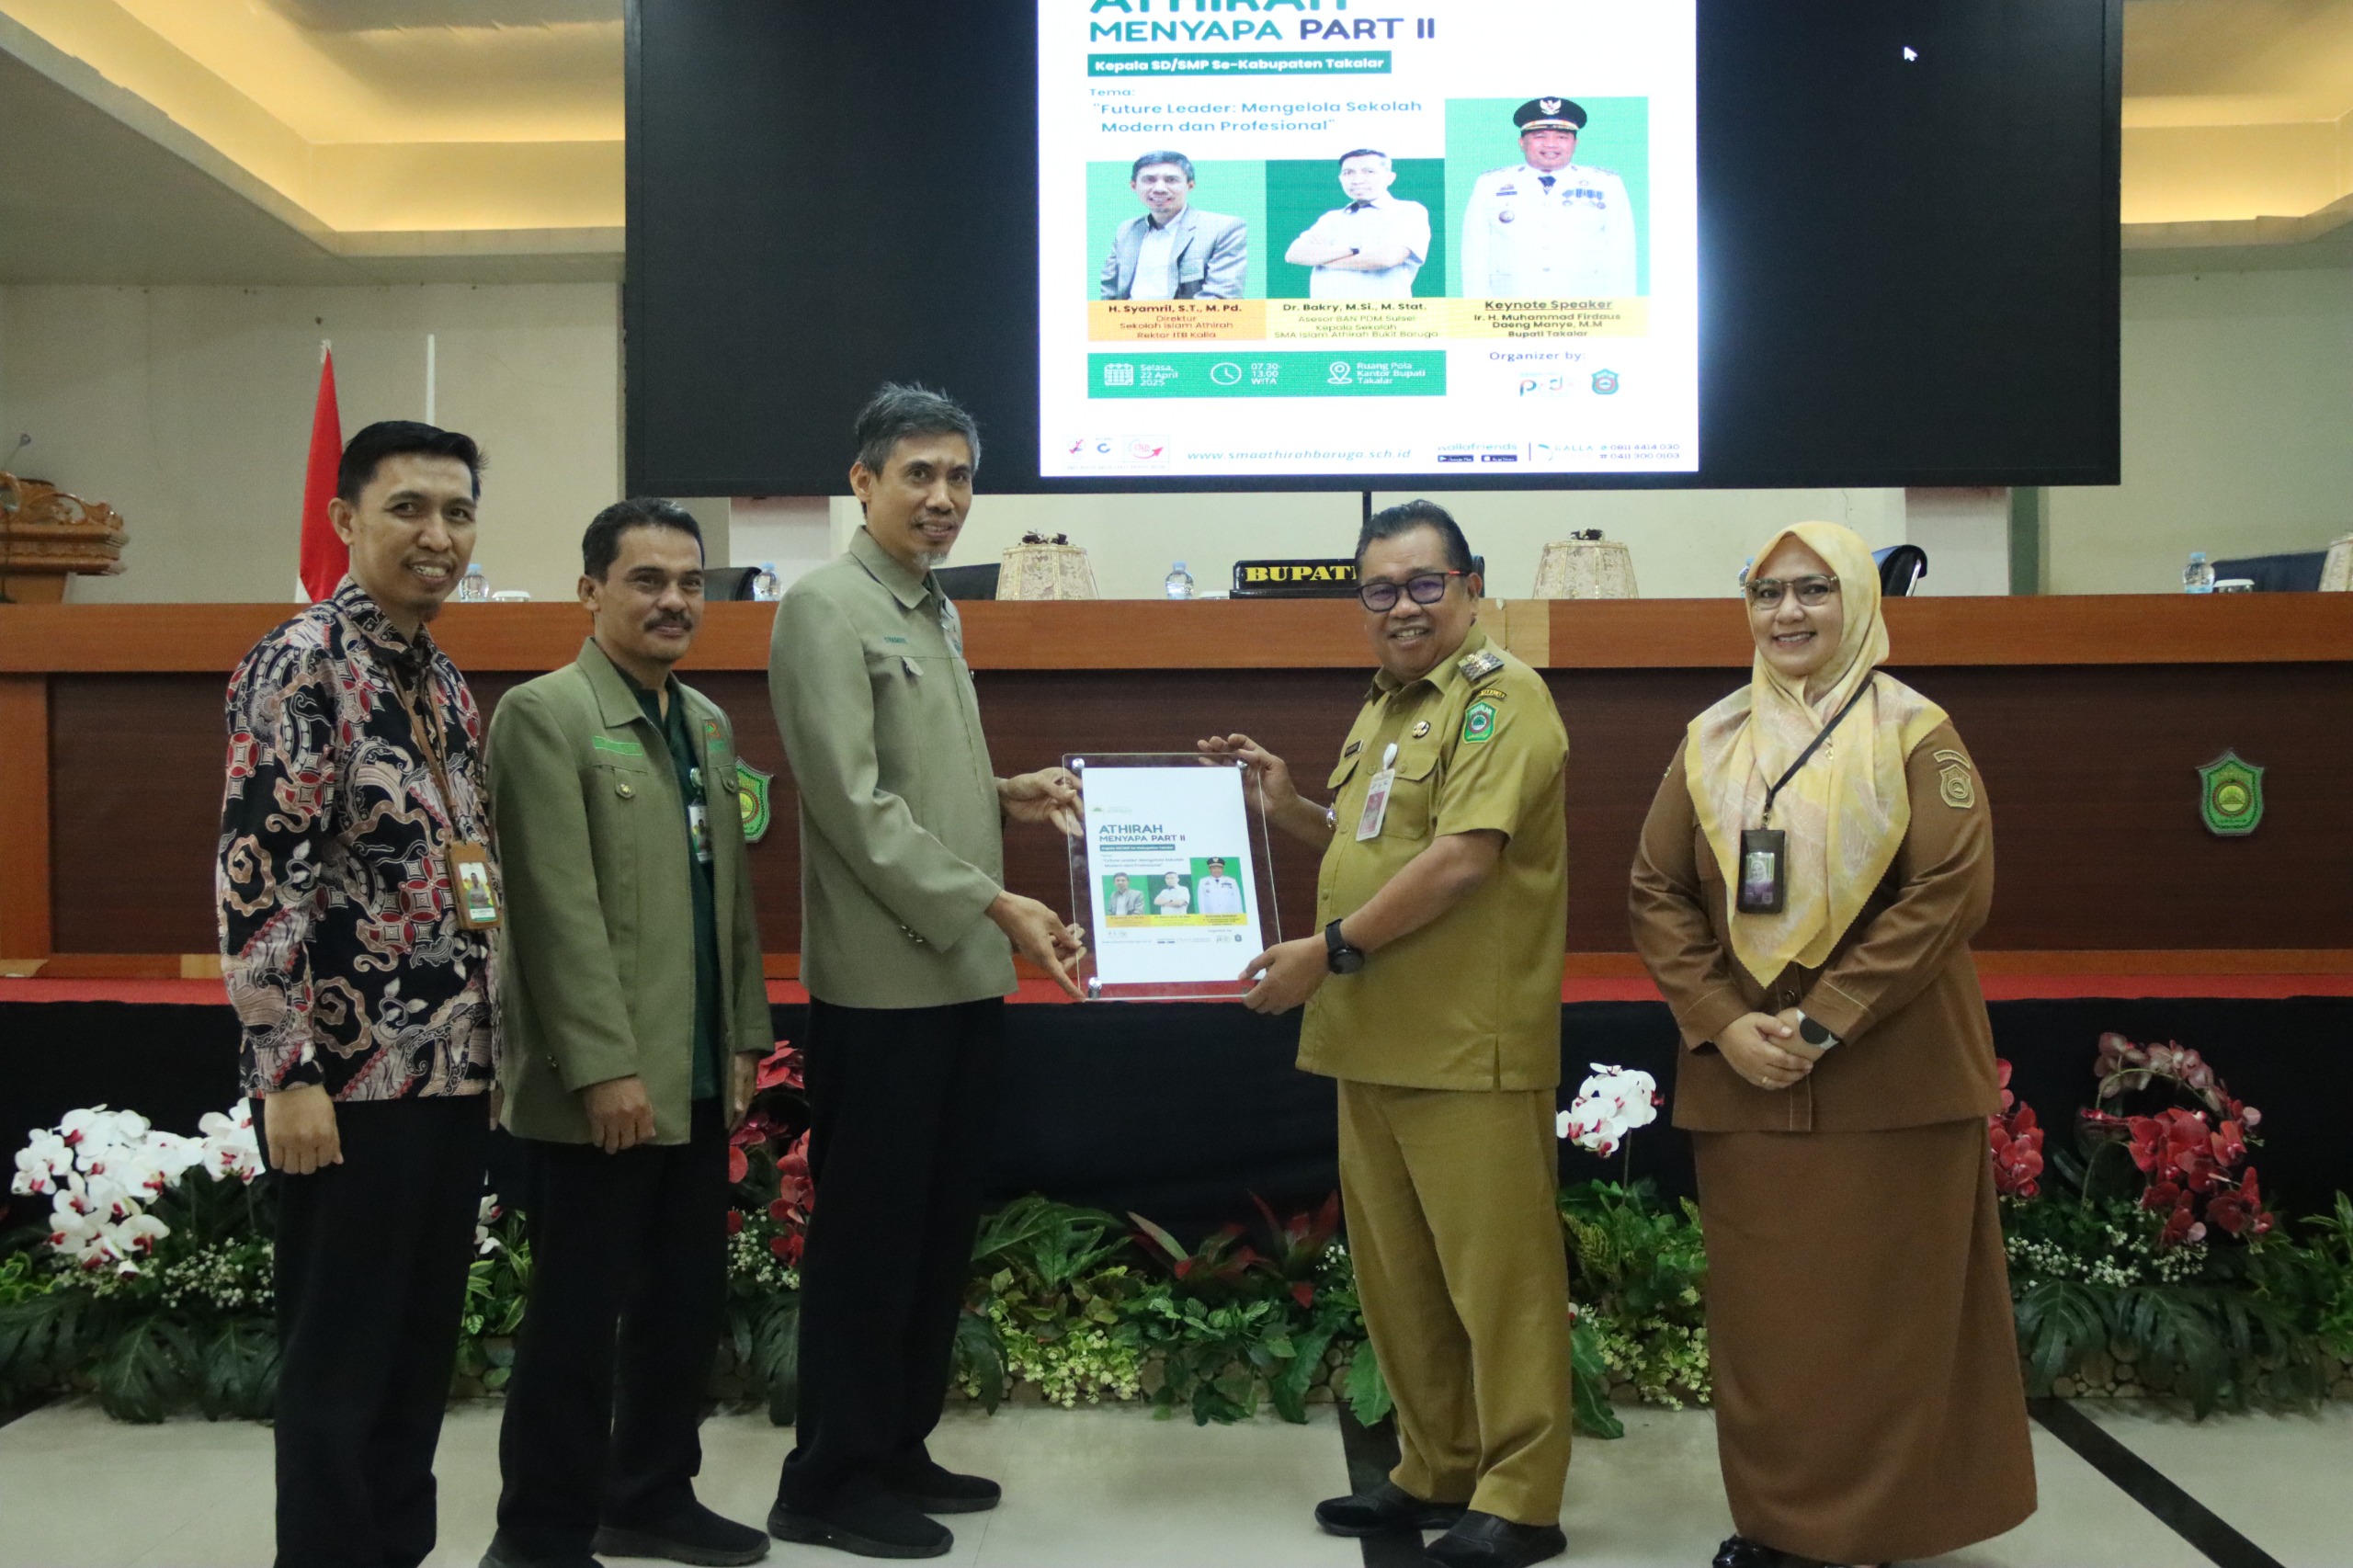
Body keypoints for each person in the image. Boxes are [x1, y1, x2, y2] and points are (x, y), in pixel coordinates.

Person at [1627, 521, 2037, 1568]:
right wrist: (1724, 1020)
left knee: (1886, 1322)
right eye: (1767, 593)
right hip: (1747, 1080)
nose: (1789, 613)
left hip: (1891, 1080)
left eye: (1814, 589)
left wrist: (1825, 1016)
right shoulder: (1712, 737)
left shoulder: (1915, 731)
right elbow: (1656, 889)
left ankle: (1865, 1534)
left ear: (1859, 601)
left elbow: (1952, 891)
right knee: (1773, 1325)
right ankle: (1782, 1525)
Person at [1200, 500, 1573, 1568]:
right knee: (1401, 1280)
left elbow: (1462, 859)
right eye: (1379, 589)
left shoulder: (1502, 699)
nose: (1401, 606)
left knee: (1498, 1284)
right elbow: (1378, 844)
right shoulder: (1385, 707)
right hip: (1372, 1038)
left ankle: (1521, 1496)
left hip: (1464, 1044)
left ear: (1469, 585)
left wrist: (1325, 951)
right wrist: (1288, 807)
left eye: (1422, 583)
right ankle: (1436, 1464)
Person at [767, 383, 1087, 1560]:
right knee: (868, 1240)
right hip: (884, 985)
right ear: (863, 482)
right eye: (919, 474)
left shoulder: (933, 606)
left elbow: (914, 775)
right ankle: (825, 1477)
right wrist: (996, 900)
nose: (943, 497)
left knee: (934, 1228)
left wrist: (1005, 794)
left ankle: (895, 1443)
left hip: (960, 973)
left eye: (958, 476)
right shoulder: (825, 606)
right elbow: (852, 805)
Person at [217, 420, 501, 1568]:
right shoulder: (303, 662)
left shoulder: (443, 678)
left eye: (458, 512)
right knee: (340, 1362)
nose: (438, 535)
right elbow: (257, 876)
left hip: (450, 1066)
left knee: (417, 1354)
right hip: (346, 1079)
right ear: (346, 520)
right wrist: (285, 1070)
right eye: (408, 508)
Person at [480, 500, 773, 1568]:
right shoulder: (545, 715)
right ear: (590, 590)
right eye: (647, 579)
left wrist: (743, 1036)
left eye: (690, 582)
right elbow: (550, 911)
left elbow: (728, 904)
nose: (673, 600)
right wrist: (604, 1066)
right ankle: (539, 1535)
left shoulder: (705, 722)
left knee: (679, 1303)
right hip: (599, 1087)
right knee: (575, 1318)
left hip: (693, 1073)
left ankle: (649, 1495)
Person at [1460, 97, 1636, 299]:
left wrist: (1622, 310)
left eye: (1562, 137)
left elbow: (1622, 253)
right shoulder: (1490, 184)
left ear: (1575, 143)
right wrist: (1475, 309)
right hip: (1511, 303)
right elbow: (1474, 254)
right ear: (1521, 142)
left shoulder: (1606, 184)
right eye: (1539, 136)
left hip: (1584, 304)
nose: (1551, 144)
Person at [1283, 149, 1431, 299]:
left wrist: (1322, 258)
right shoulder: (1330, 218)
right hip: (1326, 311)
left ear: (1389, 177)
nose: (1357, 180)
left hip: (1382, 310)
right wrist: (1355, 249)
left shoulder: (1409, 211)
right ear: (1341, 178)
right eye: (1348, 173)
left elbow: (1387, 258)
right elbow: (1294, 254)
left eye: (1369, 172)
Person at [1100, 150, 1248, 301]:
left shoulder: (1222, 228)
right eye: (1149, 180)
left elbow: (1222, 297)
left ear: (1190, 185)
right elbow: (1109, 293)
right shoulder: (1127, 230)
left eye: (1171, 180)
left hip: (1190, 316)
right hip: (1128, 315)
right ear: (1134, 186)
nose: (1159, 189)